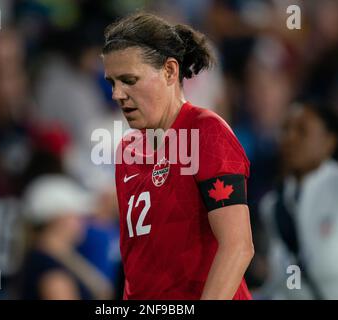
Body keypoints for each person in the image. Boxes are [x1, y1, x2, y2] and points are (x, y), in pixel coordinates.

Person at [102, 12, 254, 300]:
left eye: (129, 80)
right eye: (112, 83)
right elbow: (138, 262)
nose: (117, 94)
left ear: (170, 71)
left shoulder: (206, 132)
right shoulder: (127, 151)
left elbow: (238, 246)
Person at [258, 102, 338, 300]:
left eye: (302, 131)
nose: (289, 138)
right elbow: (285, 276)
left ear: (330, 141)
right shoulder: (273, 205)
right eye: (285, 129)